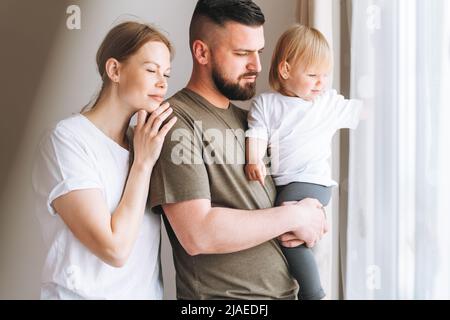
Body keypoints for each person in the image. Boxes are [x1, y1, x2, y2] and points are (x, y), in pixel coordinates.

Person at [149, 0, 327, 300]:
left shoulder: (252, 122)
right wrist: (296, 217)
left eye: (258, 51)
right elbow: (197, 233)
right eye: (242, 53)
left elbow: (289, 198)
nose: (257, 65)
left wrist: (314, 217)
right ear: (201, 52)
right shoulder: (176, 122)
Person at [32, 21, 177, 299]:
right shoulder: (66, 139)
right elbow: (114, 249)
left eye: (166, 74)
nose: (162, 82)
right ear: (114, 70)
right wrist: (143, 164)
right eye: (151, 70)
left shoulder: (144, 142)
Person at [245, 24, 363, 299]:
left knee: (284, 225)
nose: (321, 83)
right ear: (286, 70)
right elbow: (257, 132)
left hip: (314, 181)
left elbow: (363, 110)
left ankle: (313, 293)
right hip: (288, 181)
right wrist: (253, 159)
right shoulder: (267, 104)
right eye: (313, 75)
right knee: (290, 232)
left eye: (325, 76)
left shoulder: (326, 104)